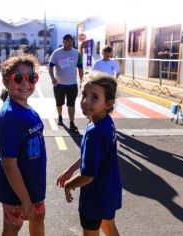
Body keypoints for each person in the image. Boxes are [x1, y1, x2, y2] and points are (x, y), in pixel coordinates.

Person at [56, 71, 122, 236]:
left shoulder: (95, 132)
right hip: (109, 190)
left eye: (95, 97)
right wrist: (71, 169)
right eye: (84, 94)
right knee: (108, 226)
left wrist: (69, 185)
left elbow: (88, 176)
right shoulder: (105, 121)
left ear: (108, 103)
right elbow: (92, 155)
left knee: (91, 231)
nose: (86, 101)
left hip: (95, 197)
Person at [0, 53, 47, 236]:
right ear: (6, 82)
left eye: (31, 77)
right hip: (16, 189)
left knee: (38, 218)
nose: (26, 83)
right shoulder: (9, 116)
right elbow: (9, 164)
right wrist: (25, 200)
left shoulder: (25, 106)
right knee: (13, 226)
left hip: (33, 184)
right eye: (18, 78)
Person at [49, 34, 83, 133]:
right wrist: (52, 78)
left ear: (72, 42)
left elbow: (80, 68)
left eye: (71, 41)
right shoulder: (56, 53)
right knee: (59, 103)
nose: (69, 43)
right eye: (67, 41)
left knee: (71, 104)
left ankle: (71, 122)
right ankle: (60, 116)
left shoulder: (76, 53)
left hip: (72, 85)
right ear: (63, 42)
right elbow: (50, 67)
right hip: (59, 85)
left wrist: (82, 81)